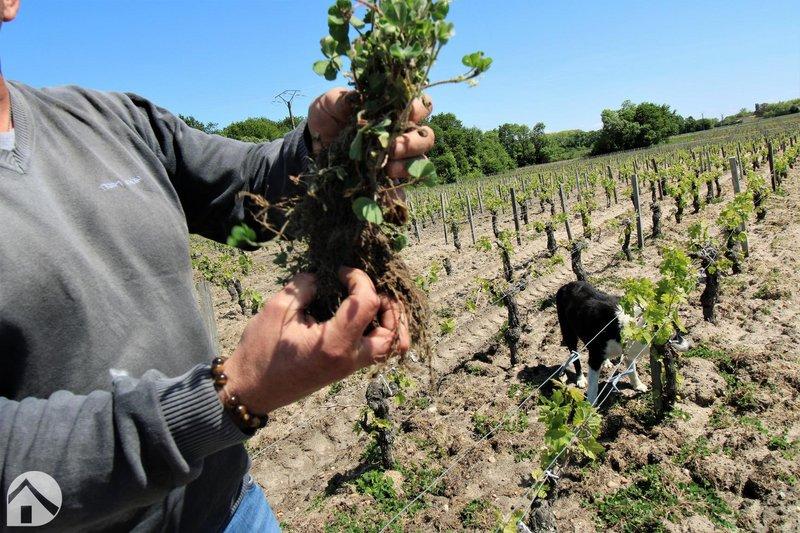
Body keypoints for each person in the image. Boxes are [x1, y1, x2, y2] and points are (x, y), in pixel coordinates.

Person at [0, 1, 435, 530]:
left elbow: (244, 193)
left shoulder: (111, 121)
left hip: (231, 507)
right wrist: (231, 394)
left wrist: (323, 148)